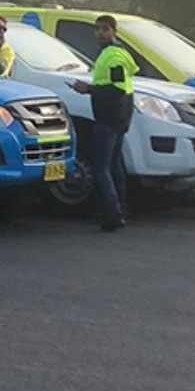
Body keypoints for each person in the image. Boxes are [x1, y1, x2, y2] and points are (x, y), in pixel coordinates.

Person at [69, 15, 136, 232]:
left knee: (102, 167)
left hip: (109, 117)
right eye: (97, 29)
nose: (100, 33)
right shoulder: (113, 53)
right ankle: (120, 207)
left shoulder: (113, 55)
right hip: (119, 116)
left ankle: (113, 212)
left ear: (114, 32)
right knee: (114, 165)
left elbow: (117, 88)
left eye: (105, 29)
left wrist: (88, 89)